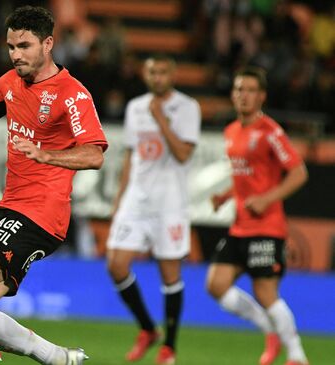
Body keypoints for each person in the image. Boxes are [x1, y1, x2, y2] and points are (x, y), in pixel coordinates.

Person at [0, 6, 107, 365]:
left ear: (48, 44)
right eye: (11, 47)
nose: (15, 55)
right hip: (12, 205)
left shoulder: (72, 93)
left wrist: (47, 155)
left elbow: (94, 154)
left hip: (43, 212)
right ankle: (54, 357)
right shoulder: (10, 83)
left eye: (24, 46)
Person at [207, 66, 309, 365]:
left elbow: (299, 173)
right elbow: (245, 177)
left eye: (250, 90)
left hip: (267, 226)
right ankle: (270, 329)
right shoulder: (231, 131)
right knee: (215, 285)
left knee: (265, 291)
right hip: (240, 226)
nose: (244, 96)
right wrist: (226, 195)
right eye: (239, 89)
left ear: (261, 96)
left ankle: (297, 355)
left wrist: (267, 199)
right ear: (233, 94)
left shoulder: (271, 132)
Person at [105, 54, 201, 365]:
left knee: (169, 274)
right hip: (137, 198)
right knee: (116, 264)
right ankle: (148, 329)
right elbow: (131, 156)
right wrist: (120, 198)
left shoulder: (187, 108)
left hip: (170, 202)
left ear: (172, 74)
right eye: (151, 72)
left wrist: (161, 119)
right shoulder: (135, 107)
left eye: (162, 72)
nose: (156, 77)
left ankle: (169, 346)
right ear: (145, 75)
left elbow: (184, 154)